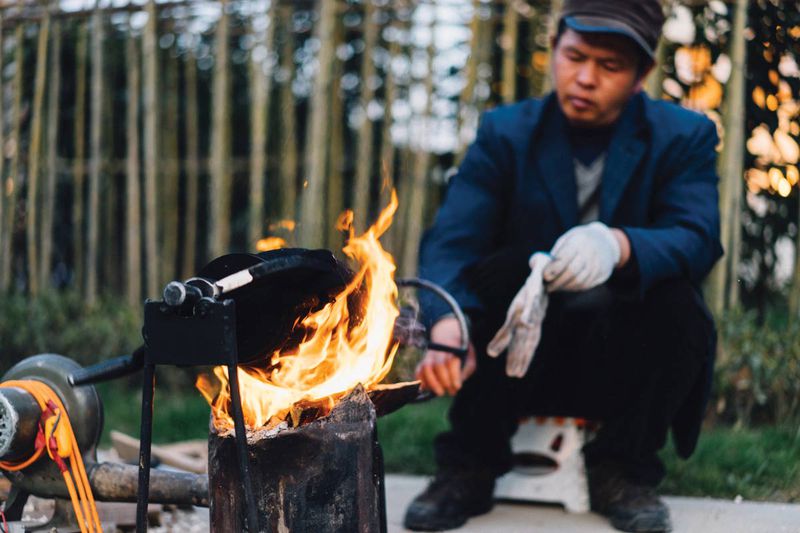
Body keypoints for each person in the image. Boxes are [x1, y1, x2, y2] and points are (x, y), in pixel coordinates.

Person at [404, 1, 723, 532]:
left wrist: (619, 246)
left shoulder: (682, 137)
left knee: (678, 301)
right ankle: (469, 464)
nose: (585, 78)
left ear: (643, 74)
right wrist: (446, 322)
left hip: (620, 355)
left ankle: (621, 469)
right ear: (553, 49)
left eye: (610, 66)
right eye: (574, 56)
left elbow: (696, 237)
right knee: (498, 272)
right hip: (514, 356)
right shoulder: (506, 133)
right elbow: (453, 240)